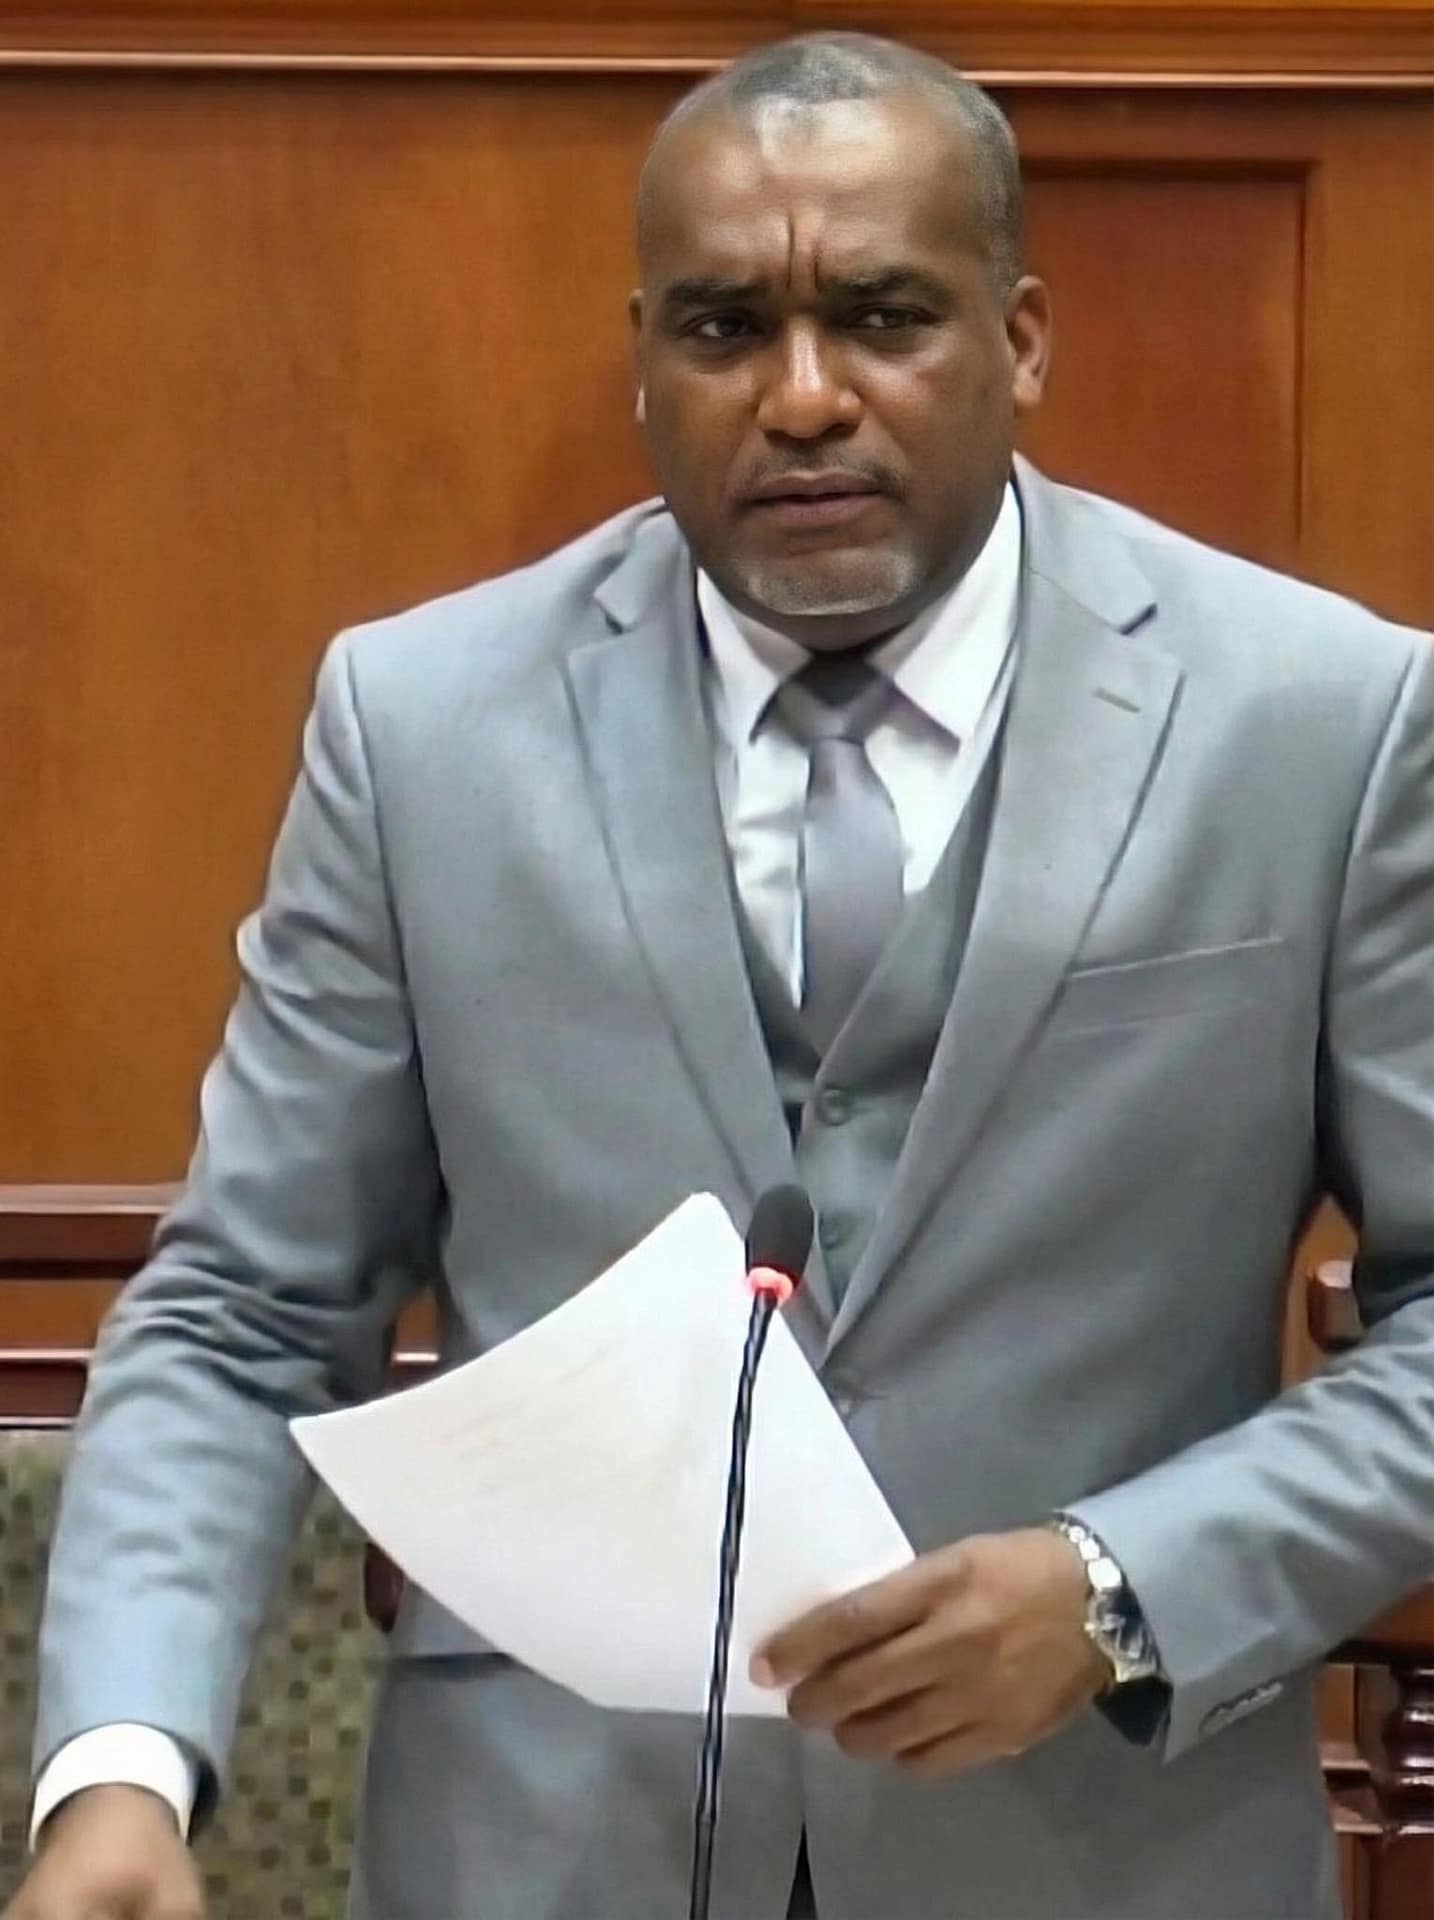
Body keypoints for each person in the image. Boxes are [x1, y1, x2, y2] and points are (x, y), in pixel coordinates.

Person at [9, 29, 1434, 1920]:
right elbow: (244, 1312)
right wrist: (117, 1773)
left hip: (1103, 1855)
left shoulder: (1320, 724)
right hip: (544, 1860)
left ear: (1018, 342)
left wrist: (1118, 1587)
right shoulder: (419, 729)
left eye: (882, 318)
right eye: (723, 329)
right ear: (642, 363)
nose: (804, 397)